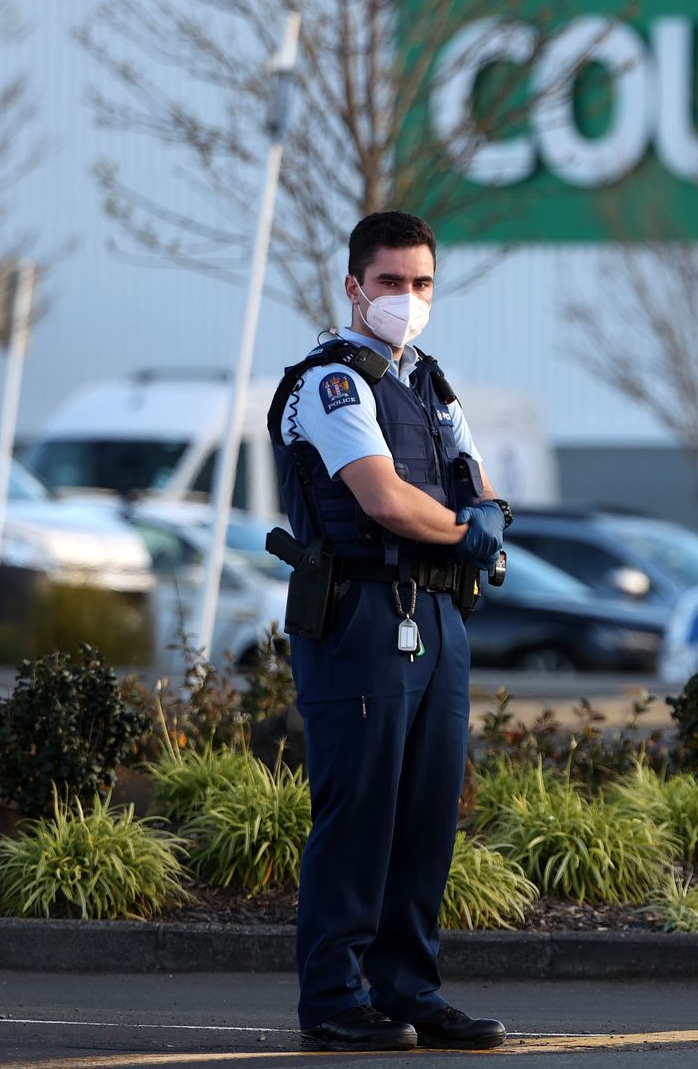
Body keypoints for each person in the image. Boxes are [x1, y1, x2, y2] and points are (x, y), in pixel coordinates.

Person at [266, 211, 510, 1052]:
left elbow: (480, 488)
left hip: (437, 613)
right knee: (360, 810)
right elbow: (380, 496)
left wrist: (482, 519)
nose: (407, 299)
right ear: (353, 287)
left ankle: (409, 989)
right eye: (390, 283)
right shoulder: (332, 383)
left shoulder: (431, 386)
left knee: (425, 814)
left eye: (421, 284)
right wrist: (468, 528)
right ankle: (335, 998)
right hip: (361, 614)